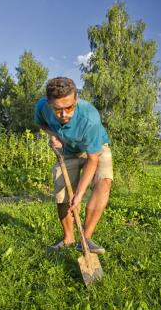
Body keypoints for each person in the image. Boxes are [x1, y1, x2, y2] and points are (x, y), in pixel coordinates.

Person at [34, 77, 113, 254]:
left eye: (69, 107)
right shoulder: (41, 107)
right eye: (58, 110)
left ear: (76, 99)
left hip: (95, 147)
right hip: (67, 150)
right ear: (49, 104)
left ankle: (85, 238)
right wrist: (53, 135)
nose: (64, 115)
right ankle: (69, 238)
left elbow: (93, 159)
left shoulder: (89, 117)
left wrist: (79, 195)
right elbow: (41, 123)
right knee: (62, 193)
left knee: (104, 181)